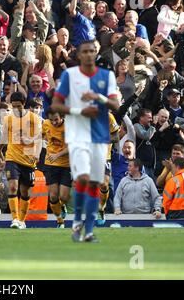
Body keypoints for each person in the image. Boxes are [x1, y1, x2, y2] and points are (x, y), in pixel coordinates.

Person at [52, 39, 119, 243]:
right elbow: (56, 104)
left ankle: (88, 231)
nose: (89, 54)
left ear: (96, 53)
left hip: (100, 137)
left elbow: (115, 104)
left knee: (94, 185)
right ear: (79, 55)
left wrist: (99, 97)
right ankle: (76, 224)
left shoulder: (106, 76)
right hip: (77, 136)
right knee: (81, 178)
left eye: (92, 51)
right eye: (85, 51)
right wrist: (79, 111)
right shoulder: (69, 75)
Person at [0, 91, 42, 230]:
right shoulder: (8, 119)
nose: (16, 109)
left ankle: (22, 221)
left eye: (18, 106)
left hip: (28, 159)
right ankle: (15, 219)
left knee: (25, 192)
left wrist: (37, 152)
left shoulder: (34, 119)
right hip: (12, 157)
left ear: (24, 104)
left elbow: (40, 138)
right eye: (14, 106)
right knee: (12, 187)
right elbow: (5, 136)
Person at [42, 108, 70, 228]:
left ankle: (62, 206)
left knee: (63, 196)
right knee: (53, 196)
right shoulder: (46, 123)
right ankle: (60, 221)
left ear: (62, 117)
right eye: (51, 120)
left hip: (66, 165)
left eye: (56, 120)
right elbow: (42, 135)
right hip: (50, 164)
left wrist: (57, 155)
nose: (54, 122)